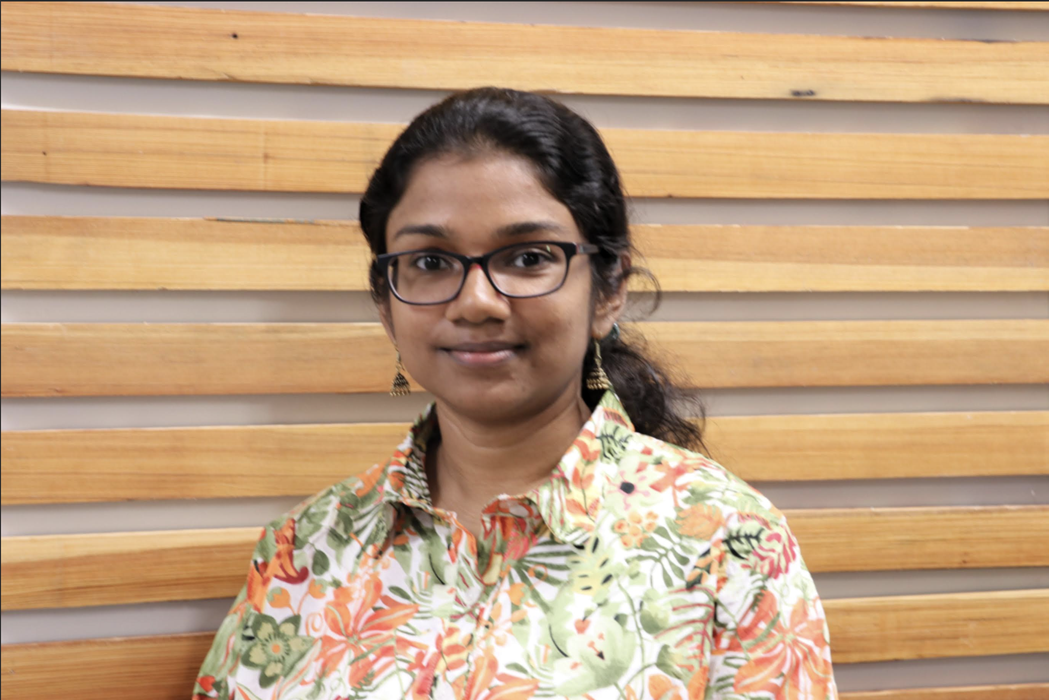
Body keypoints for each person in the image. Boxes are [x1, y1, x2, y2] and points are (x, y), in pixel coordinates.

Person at [192, 87, 837, 700]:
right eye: (430, 262)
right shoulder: (306, 548)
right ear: (386, 304)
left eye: (527, 258)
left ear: (608, 289)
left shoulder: (725, 542)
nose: (476, 302)